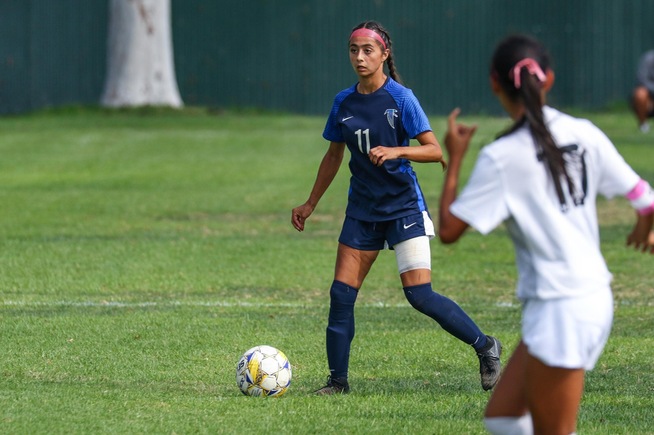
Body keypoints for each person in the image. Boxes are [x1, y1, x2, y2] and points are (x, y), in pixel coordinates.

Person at [438, 34, 654, 434]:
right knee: (503, 418)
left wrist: (455, 160)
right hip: (577, 300)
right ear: (549, 79)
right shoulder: (583, 132)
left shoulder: (501, 156)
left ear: (494, 84)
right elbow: (645, 197)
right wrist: (645, 225)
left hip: (565, 307)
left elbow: (449, 230)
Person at [291, 20, 503, 395]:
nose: (359, 57)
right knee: (341, 295)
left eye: (367, 50)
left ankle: (486, 347)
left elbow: (435, 150)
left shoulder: (401, 98)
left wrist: (398, 150)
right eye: (353, 50)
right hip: (362, 211)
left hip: (403, 207)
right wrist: (310, 203)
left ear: (384, 54)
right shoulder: (343, 102)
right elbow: (333, 155)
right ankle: (337, 382)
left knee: (419, 295)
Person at [631, 49, 654, 133]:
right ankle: (643, 125)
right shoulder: (649, 58)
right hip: (650, 97)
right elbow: (642, 80)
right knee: (640, 93)